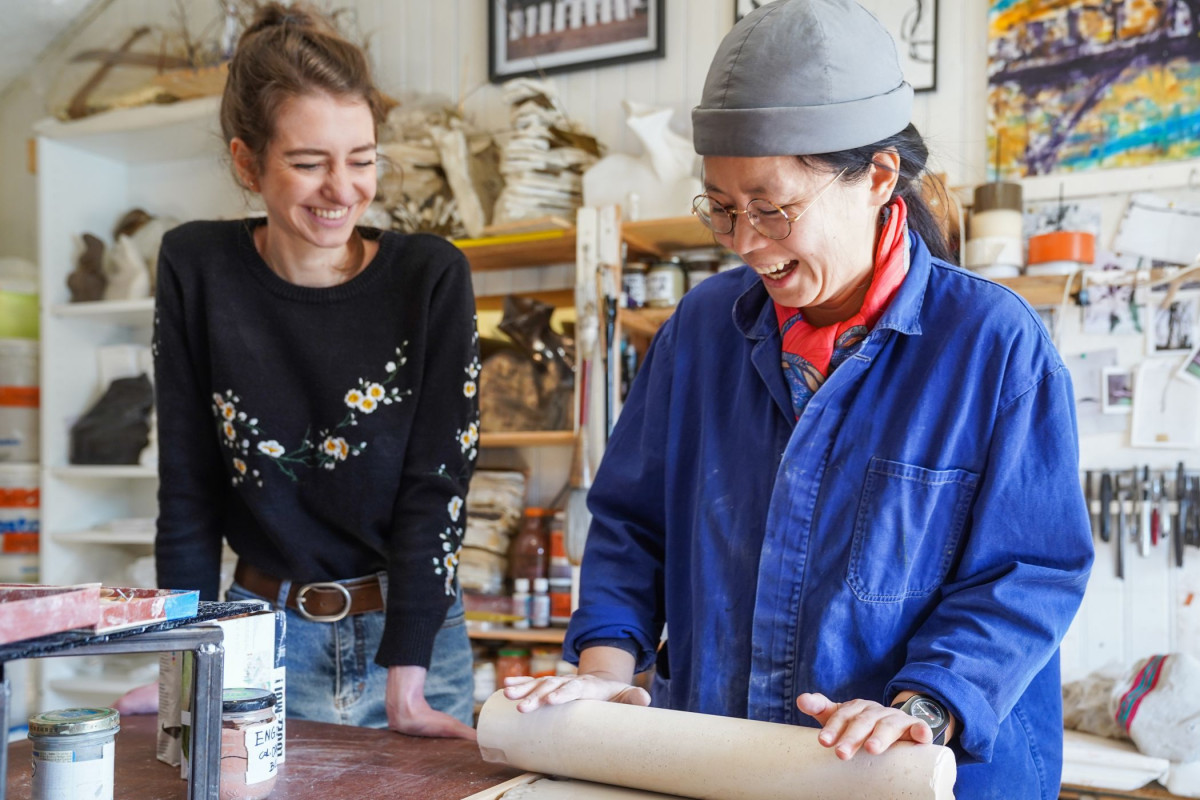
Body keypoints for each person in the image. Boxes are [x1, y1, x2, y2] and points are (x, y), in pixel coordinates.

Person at [504, 0, 1094, 796]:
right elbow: (630, 529)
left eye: (773, 208)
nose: (746, 242)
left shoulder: (993, 346)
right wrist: (602, 676)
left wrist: (920, 708)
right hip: (719, 764)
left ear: (878, 177)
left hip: (914, 777)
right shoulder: (701, 331)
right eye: (722, 208)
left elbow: (1027, 575)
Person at [152, 3, 478, 738]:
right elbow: (188, 486)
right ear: (247, 163)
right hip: (254, 638)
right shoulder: (197, 267)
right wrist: (178, 666)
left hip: (413, 644)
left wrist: (407, 684)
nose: (343, 189)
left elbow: (438, 485)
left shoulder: (430, 277)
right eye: (308, 163)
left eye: (362, 159)